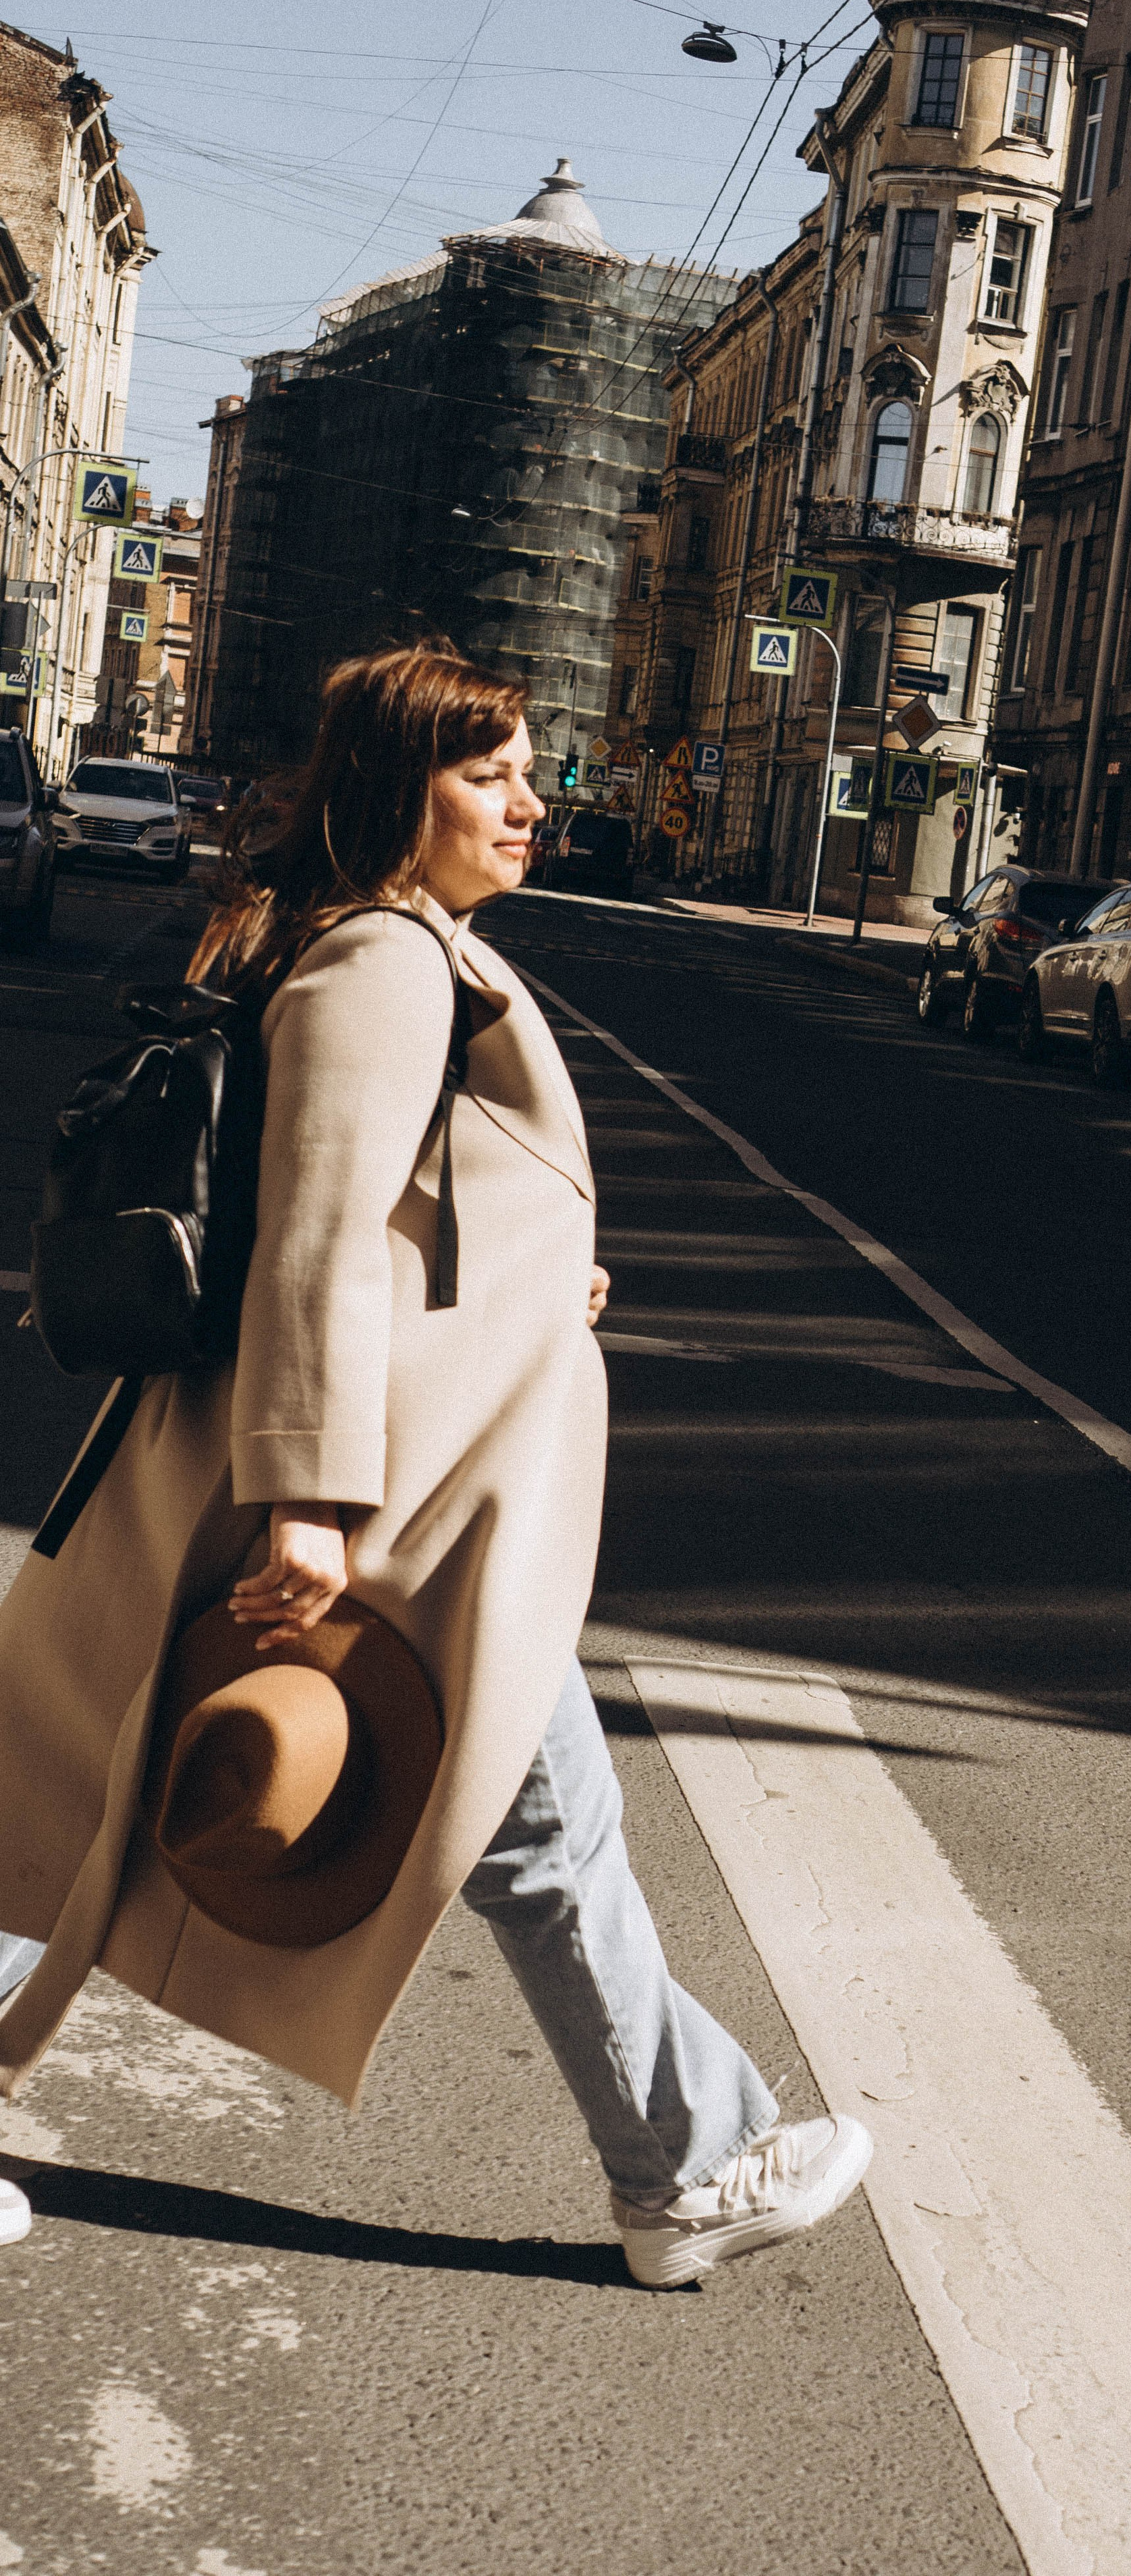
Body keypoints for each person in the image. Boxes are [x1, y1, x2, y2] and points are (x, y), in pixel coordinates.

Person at [0, 640, 869, 2285]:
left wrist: (552, 1266)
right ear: (403, 792)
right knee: (91, 1786)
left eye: (531, 769)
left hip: (371, 1480)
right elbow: (318, 1243)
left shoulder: (391, 945)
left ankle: (678, 2161)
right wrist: (312, 1505)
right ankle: (681, 2169)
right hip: (367, 1501)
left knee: (95, 1785)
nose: (532, 801)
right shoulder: (388, 962)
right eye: (491, 773)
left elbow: (400, 1207)